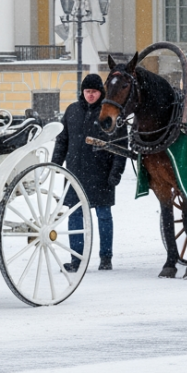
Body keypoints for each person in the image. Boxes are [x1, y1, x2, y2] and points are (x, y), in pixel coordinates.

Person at [53, 74, 126, 272]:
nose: (90, 95)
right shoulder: (72, 111)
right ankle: (76, 259)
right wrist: (55, 163)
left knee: (103, 216)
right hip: (75, 173)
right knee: (75, 216)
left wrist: (116, 173)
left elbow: (120, 146)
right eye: (87, 91)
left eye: (94, 91)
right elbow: (62, 140)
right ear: (82, 92)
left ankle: (106, 257)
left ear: (100, 92)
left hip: (101, 174)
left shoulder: (109, 112)